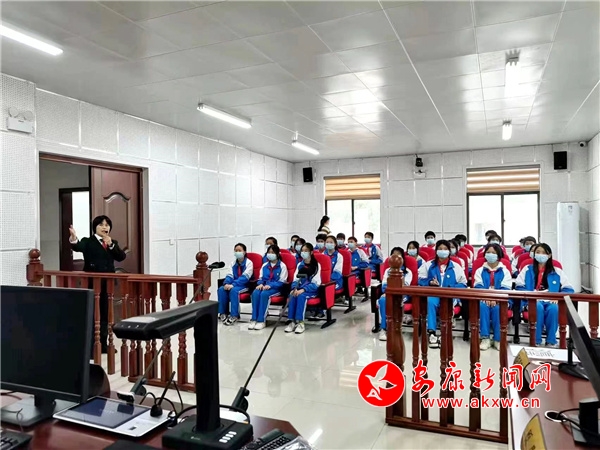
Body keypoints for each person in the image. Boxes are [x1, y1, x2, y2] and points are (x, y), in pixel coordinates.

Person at [69, 216, 126, 354]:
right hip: (93, 283)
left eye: (107, 225)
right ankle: (90, 346)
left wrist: (111, 244)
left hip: (108, 283)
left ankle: (104, 345)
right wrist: (73, 238)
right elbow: (77, 246)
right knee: (93, 313)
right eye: (101, 225)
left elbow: (121, 257)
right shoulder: (88, 241)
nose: (104, 227)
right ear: (95, 227)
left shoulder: (112, 242)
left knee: (105, 313)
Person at [516, 243, 574, 347]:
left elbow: (569, 289)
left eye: (543, 253)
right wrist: (531, 296)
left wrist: (558, 297)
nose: (540, 255)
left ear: (549, 255)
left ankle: (551, 340)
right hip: (532, 300)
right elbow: (519, 286)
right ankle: (536, 340)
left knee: (554, 309)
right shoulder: (527, 269)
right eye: (538, 252)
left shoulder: (557, 271)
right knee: (537, 307)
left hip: (551, 300)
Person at [419, 240, 467, 348]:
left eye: (445, 249)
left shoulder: (456, 267)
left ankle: (444, 333)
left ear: (449, 251)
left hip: (449, 295)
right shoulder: (428, 265)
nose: (442, 251)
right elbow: (420, 280)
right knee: (431, 301)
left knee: (446, 303)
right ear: (436, 251)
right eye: (440, 249)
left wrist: (452, 288)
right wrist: (429, 282)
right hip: (434, 294)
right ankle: (431, 333)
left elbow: (463, 283)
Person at [474, 244, 512, 351]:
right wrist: (487, 297)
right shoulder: (479, 270)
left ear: (498, 255)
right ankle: (485, 338)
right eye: (488, 252)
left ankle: (497, 339)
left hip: (500, 298)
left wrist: (495, 298)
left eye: (493, 253)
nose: (490, 254)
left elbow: (506, 287)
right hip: (483, 298)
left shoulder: (505, 271)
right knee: (483, 306)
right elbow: (478, 286)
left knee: (497, 308)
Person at [285, 243, 321, 334]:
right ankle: (291, 321)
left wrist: (304, 289)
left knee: (301, 296)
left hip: (311, 290)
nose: (303, 253)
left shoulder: (316, 265)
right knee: (292, 295)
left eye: (306, 251)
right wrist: (294, 288)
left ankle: (300, 322)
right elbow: (295, 279)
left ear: (311, 252)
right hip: (299, 288)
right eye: (302, 251)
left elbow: (316, 283)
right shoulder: (299, 265)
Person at [250, 245, 288, 331]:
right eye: (269, 252)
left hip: (276, 288)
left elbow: (281, 282)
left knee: (264, 294)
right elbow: (261, 278)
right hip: (264, 286)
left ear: (277, 254)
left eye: (272, 252)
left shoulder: (282, 266)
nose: (270, 254)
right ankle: (254, 319)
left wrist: (270, 285)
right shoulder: (264, 265)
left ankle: (261, 320)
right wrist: (260, 284)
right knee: (255, 293)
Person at [378, 247, 412, 342]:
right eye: (393, 255)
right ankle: (384, 328)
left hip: (403, 295)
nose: (396, 258)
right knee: (382, 300)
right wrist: (389, 291)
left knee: (396, 300)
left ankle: (397, 324)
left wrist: (393, 288)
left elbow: (405, 287)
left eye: (398, 255)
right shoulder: (387, 271)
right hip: (389, 293)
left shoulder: (408, 272)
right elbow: (384, 286)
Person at [218, 243, 254, 326]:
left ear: (244, 252)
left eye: (239, 250)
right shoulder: (232, 263)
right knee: (221, 289)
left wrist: (233, 284)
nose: (237, 252)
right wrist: (226, 283)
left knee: (234, 291)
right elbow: (229, 275)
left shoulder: (249, 263)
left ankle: (235, 315)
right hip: (233, 284)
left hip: (244, 285)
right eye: (236, 250)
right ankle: (223, 313)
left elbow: (245, 277)